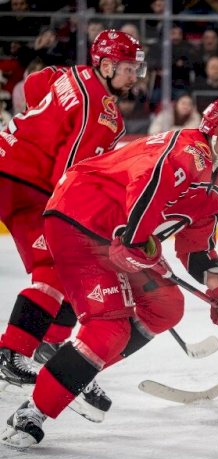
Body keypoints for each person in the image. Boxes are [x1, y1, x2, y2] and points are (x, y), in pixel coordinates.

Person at [1, 98, 218, 449]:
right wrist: (136, 241)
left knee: (167, 305)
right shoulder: (185, 152)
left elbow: (197, 246)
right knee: (109, 327)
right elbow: (146, 186)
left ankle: (77, 370)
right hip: (82, 220)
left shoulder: (215, 183)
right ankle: (34, 411)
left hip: (121, 235)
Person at [0, 30, 146, 423]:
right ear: (107, 65)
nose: (136, 76)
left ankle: (47, 345)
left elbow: (33, 86)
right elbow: (68, 174)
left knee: (60, 269)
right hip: (24, 185)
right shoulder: (101, 112)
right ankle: (13, 352)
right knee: (55, 267)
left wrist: (39, 129)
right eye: (129, 68)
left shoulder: (70, 74)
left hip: (9, 166)